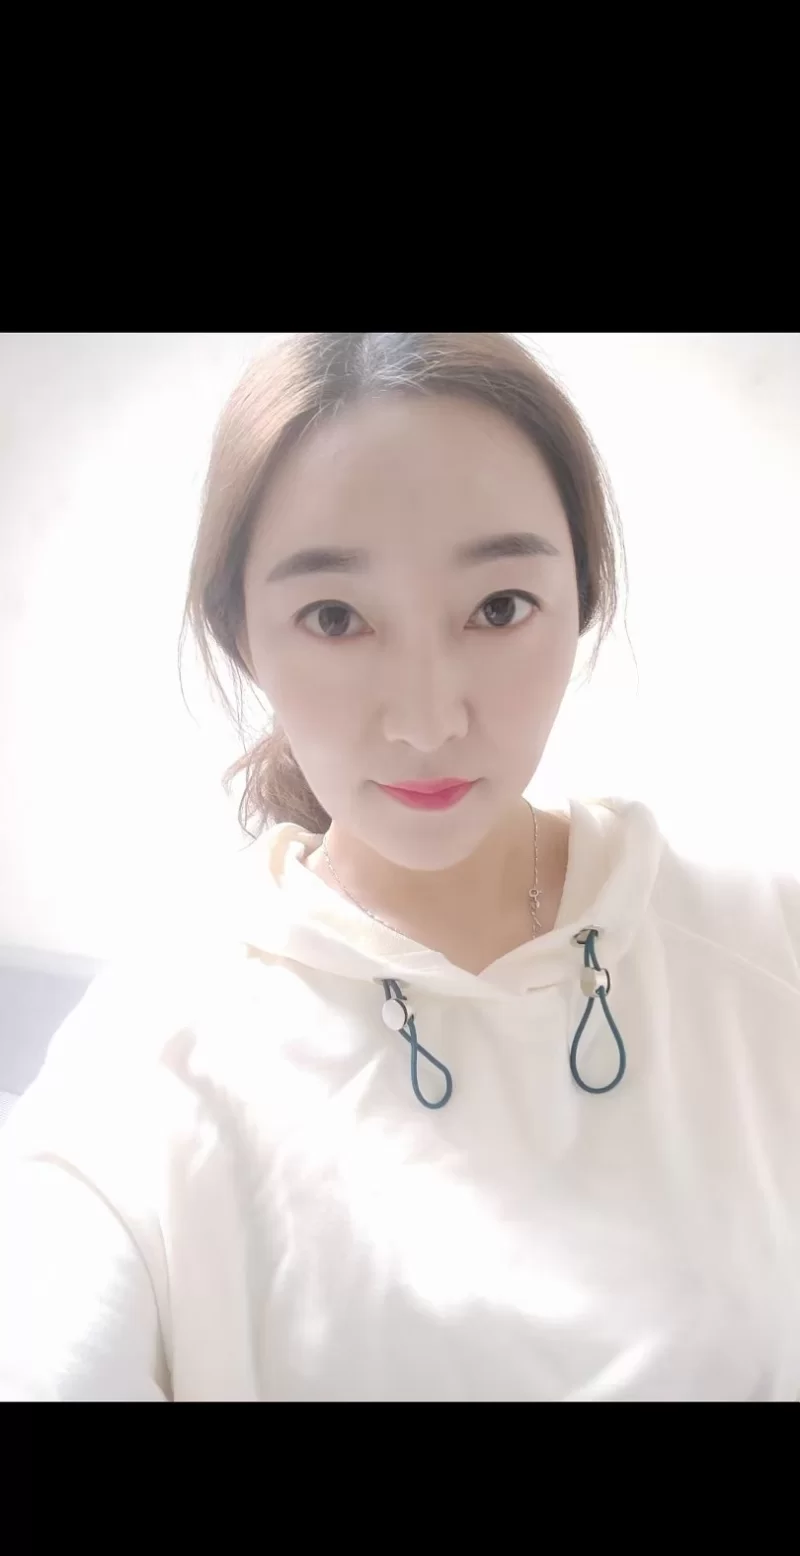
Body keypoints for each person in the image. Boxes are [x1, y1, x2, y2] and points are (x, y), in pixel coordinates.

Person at [2, 331, 799, 1402]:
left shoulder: (762, 952)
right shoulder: (150, 1068)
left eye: (498, 608)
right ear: (244, 637)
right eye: (335, 619)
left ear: (583, 599)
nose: (427, 722)